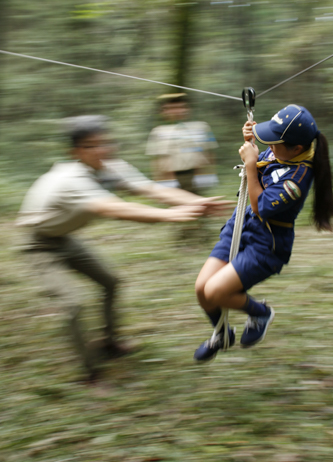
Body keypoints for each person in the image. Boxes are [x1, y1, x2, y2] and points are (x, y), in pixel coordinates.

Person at [16, 115, 231, 382]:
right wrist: (171, 215)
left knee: (111, 282)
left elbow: (151, 190)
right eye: (92, 146)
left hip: (66, 238)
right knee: (74, 304)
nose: (102, 149)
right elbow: (116, 209)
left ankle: (109, 343)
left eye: (105, 142)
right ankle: (91, 373)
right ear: (75, 152)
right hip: (40, 245)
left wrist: (196, 202)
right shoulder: (69, 179)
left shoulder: (110, 167)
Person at [193, 104, 333, 362]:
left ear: (297, 149)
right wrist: (251, 139)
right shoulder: (283, 151)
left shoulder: (297, 180)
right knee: (202, 289)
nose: (268, 144)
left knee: (216, 292)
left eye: (274, 141)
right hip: (242, 226)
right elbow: (262, 161)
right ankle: (222, 333)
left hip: (266, 244)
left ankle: (260, 314)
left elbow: (260, 207)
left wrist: (249, 164)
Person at [146, 93, 219, 194]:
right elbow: (156, 160)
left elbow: (209, 153)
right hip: (171, 179)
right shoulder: (158, 132)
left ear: (187, 109)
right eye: (171, 108)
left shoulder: (201, 127)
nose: (177, 111)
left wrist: (207, 175)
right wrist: (160, 182)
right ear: (164, 111)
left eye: (181, 107)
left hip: (194, 176)